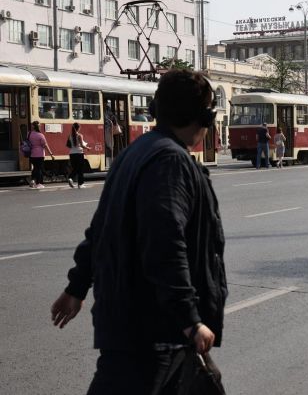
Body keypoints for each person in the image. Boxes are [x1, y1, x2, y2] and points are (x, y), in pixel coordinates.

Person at [50, 69, 228, 394]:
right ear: (202, 116)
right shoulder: (170, 162)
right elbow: (165, 244)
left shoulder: (135, 152)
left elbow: (100, 228)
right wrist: (189, 319)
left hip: (151, 330)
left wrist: (76, 287)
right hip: (153, 332)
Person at [28, 121, 54, 189]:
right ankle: (38, 183)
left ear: (33, 126)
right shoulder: (40, 135)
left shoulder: (29, 134)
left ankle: (33, 180)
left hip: (32, 154)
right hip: (40, 154)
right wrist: (51, 154)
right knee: (38, 168)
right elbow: (45, 145)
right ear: (39, 127)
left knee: (35, 168)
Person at [67, 123, 91, 189]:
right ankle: (80, 184)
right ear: (78, 128)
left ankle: (70, 178)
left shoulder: (70, 136)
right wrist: (88, 148)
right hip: (79, 153)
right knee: (80, 169)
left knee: (75, 168)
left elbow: (69, 145)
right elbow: (82, 145)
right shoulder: (80, 135)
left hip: (72, 154)